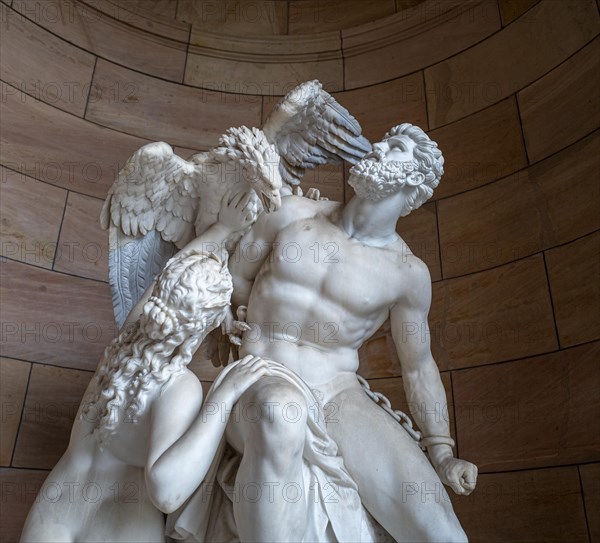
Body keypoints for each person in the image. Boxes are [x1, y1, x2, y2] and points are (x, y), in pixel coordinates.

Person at [224, 123, 477, 543]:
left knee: (441, 530)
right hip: (263, 372)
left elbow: (418, 367)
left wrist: (442, 451)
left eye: (394, 147)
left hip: (339, 393)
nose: (377, 147)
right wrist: (234, 323)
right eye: (384, 140)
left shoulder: (407, 273)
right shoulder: (290, 213)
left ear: (415, 179)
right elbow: (235, 277)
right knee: (279, 410)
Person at [20, 194, 269, 543]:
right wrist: (224, 396)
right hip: (121, 522)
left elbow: (171, 277)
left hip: (57, 505)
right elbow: (166, 492)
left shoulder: (125, 345)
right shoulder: (177, 386)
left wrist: (222, 228)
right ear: (207, 324)